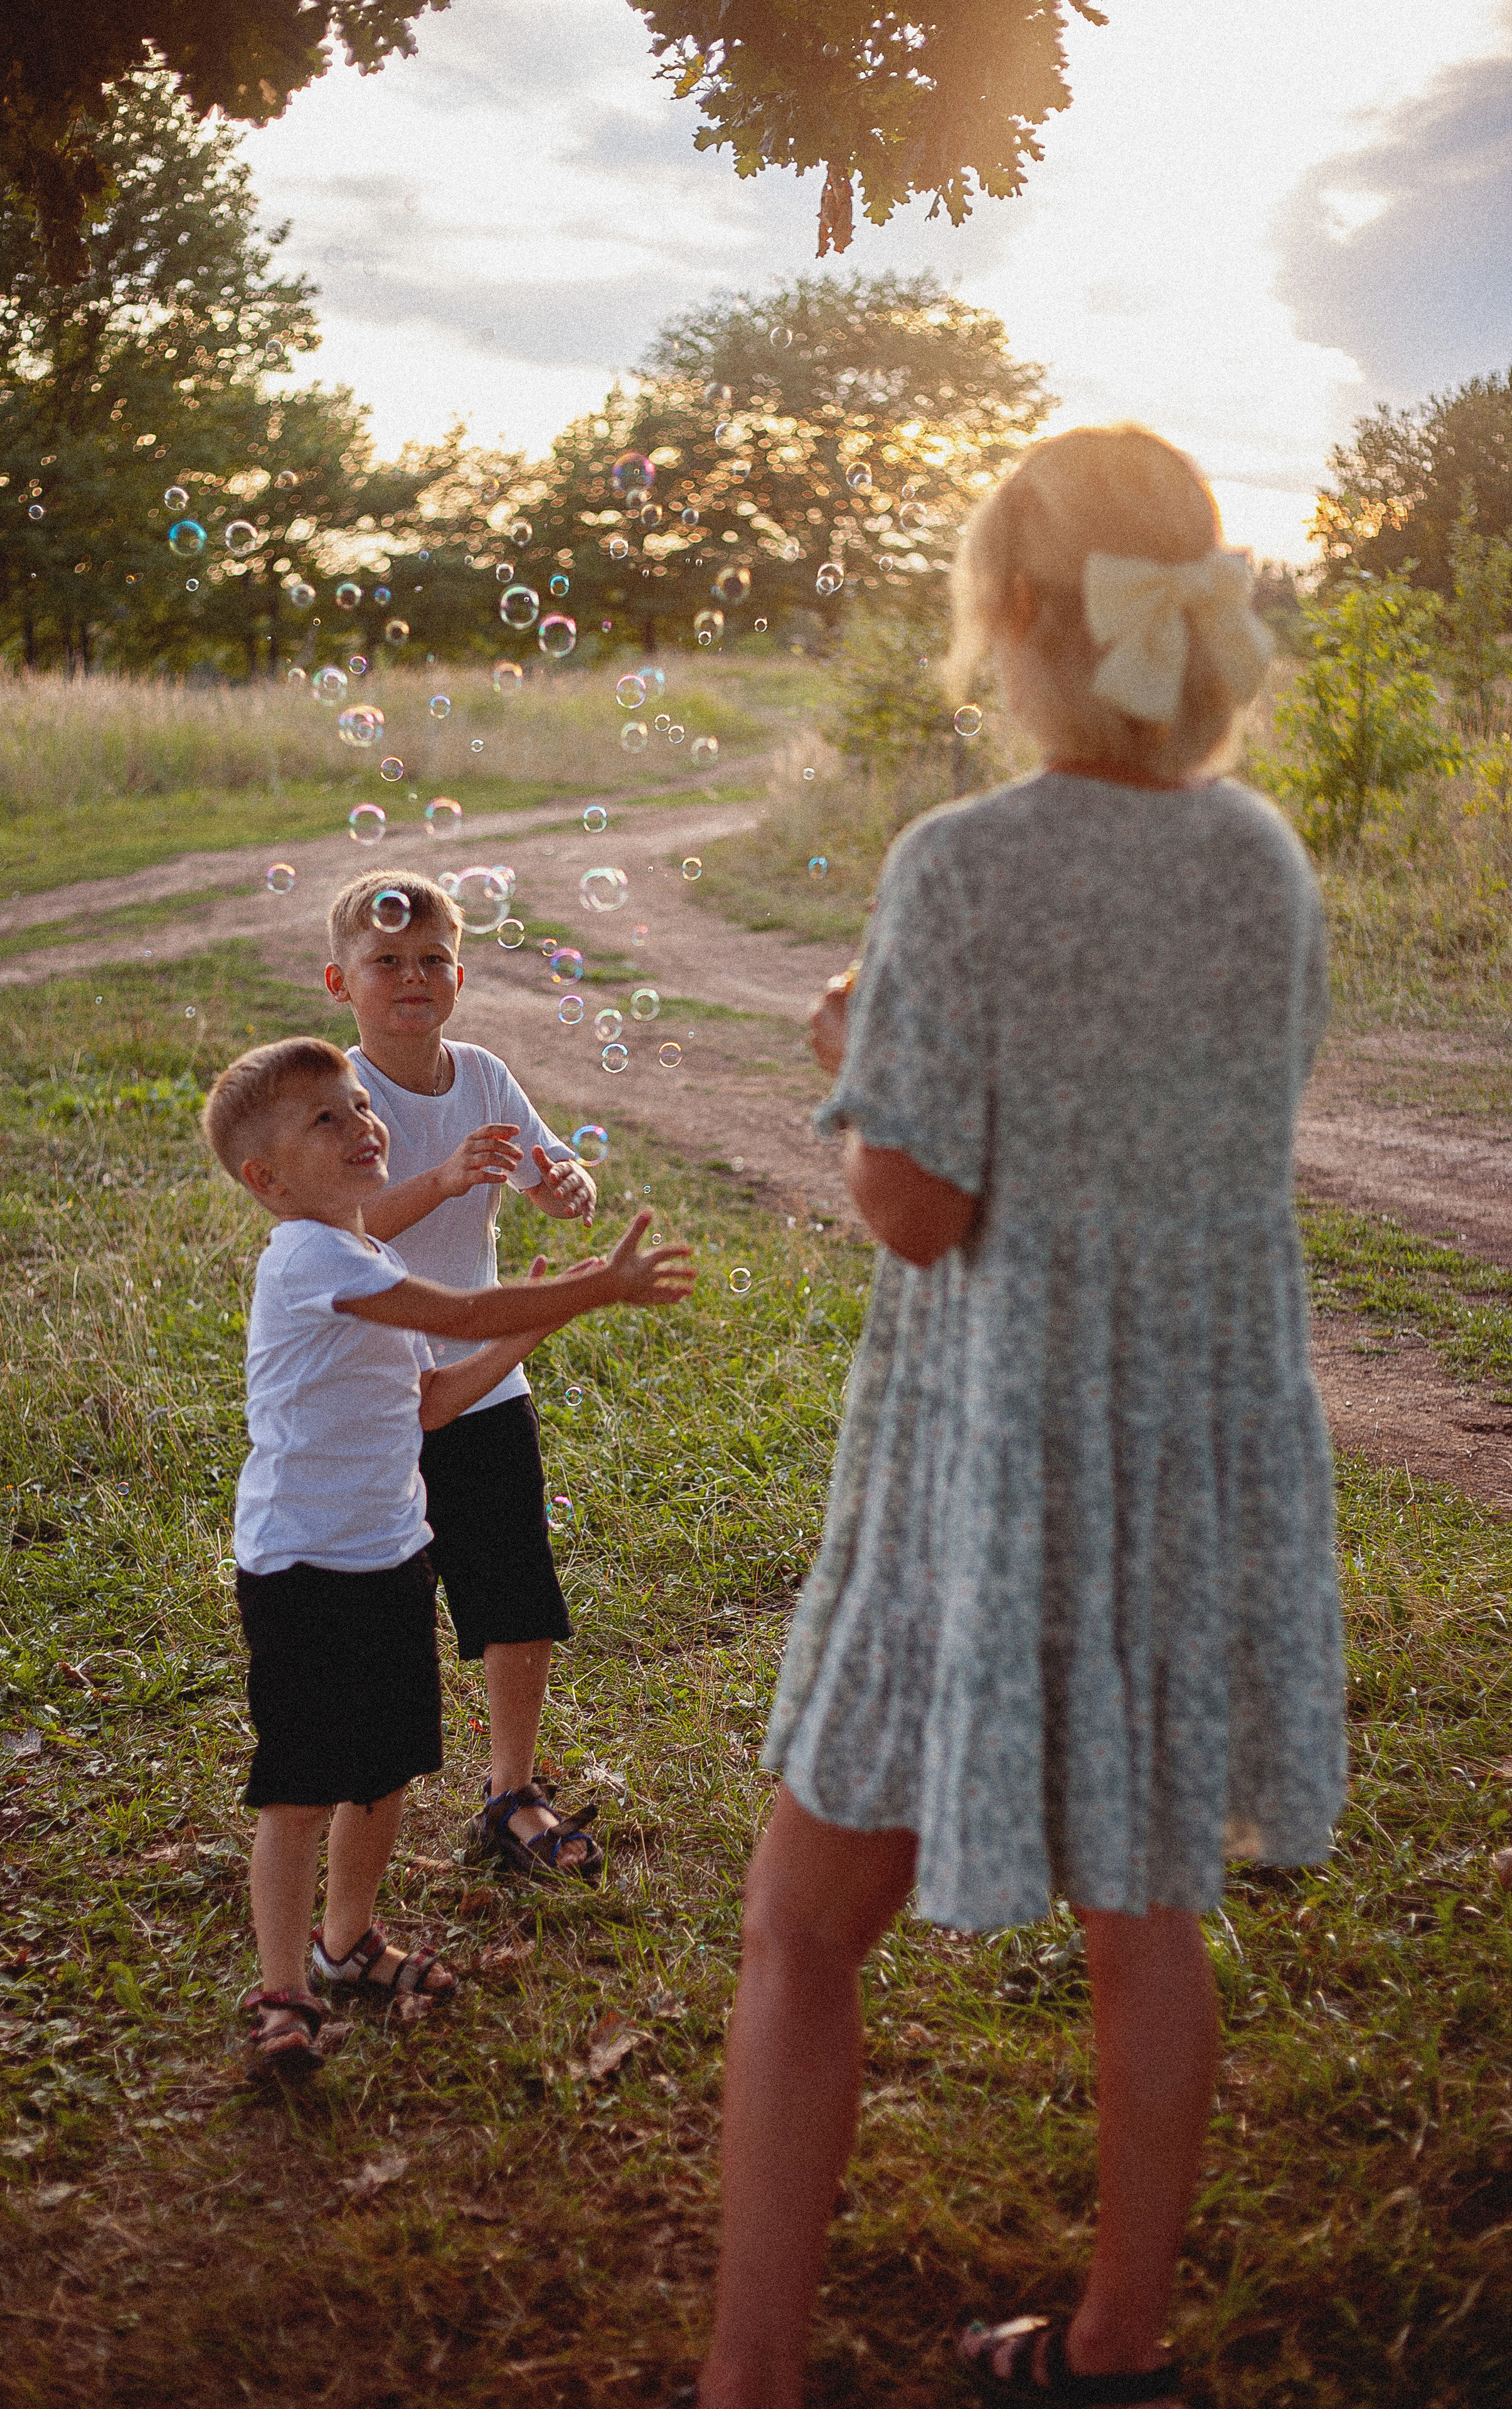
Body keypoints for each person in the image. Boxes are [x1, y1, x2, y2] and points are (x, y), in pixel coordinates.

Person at [698, 425, 1345, 2409]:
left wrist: (856, 1047)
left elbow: (923, 1208)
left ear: (1018, 630)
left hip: (983, 1466)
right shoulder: (1262, 858)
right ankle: (1116, 2347)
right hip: (1185, 1459)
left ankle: (748, 2386)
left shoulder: (961, 871)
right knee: (1148, 1919)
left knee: (806, 1934)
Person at [200, 1034, 694, 2080]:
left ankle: (349, 1943)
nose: (360, 1123)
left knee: (382, 1770)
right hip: (302, 1565)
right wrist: (592, 1291)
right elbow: (462, 1310)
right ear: (266, 1179)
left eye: (355, 1105)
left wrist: (529, 1335)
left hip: (387, 1550)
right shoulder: (311, 1257)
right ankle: (283, 1988)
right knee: (300, 1788)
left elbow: (431, 1397)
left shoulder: (366, 1252)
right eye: (324, 1119)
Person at [323, 868, 610, 1881]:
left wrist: (570, 1181)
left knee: (514, 1588)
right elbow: (337, 1228)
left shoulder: (483, 1074)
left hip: (485, 1377)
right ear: (339, 981)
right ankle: (369, 1789)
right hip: (376, 1389)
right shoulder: (339, 1096)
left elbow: (547, 1170)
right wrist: (441, 1178)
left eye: (433, 960)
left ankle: (511, 1789)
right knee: (384, 1600)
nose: (413, 976)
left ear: (461, 976)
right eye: (386, 961)